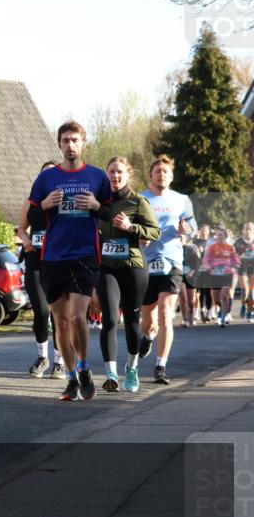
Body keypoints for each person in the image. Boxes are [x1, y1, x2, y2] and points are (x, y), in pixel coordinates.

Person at [27, 121, 112, 402]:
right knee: (60, 321)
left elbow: (113, 215)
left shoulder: (98, 177)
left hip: (85, 255)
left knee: (77, 317)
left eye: (75, 140)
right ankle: (72, 377)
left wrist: (98, 207)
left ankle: (86, 367)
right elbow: (31, 220)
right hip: (52, 257)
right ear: (59, 144)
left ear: (83, 143)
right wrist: (46, 205)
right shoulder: (46, 180)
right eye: (65, 140)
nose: (70, 145)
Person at [95, 157, 160, 393]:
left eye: (119, 172)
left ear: (127, 175)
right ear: (106, 174)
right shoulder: (99, 202)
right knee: (110, 319)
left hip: (133, 267)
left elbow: (155, 232)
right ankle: (111, 373)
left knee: (133, 323)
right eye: (111, 172)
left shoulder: (138, 201)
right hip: (107, 268)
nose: (115, 176)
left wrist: (131, 227)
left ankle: (132, 369)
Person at [139, 155, 196, 385]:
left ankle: (160, 365)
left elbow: (192, 226)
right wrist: (139, 236)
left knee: (165, 312)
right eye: (157, 171)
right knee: (148, 320)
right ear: (150, 175)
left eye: (165, 171)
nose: (161, 174)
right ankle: (148, 335)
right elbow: (131, 227)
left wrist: (186, 229)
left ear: (171, 176)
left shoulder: (182, 199)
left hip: (172, 262)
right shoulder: (141, 198)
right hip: (145, 262)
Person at [17, 161, 63, 378]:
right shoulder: (33, 201)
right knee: (42, 311)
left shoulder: (65, 200)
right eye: (44, 175)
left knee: (58, 312)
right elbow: (21, 227)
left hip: (58, 261)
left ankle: (59, 361)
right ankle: (42, 356)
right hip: (35, 260)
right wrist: (25, 240)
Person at [198, 225, 241, 327]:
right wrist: (207, 266)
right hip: (214, 274)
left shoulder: (230, 248)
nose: (219, 237)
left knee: (224, 294)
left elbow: (235, 259)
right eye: (218, 235)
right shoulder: (211, 248)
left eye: (221, 235)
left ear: (225, 236)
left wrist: (237, 263)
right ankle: (223, 310)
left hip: (227, 273)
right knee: (217, 298)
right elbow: (206, 259)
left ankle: (223, 315)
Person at [180, 232, 201, 327]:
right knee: (183, 297)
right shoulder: (174, 250)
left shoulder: (191, 249)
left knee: (191, 301)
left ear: (185, 239)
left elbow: (197, 264)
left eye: (181, 238)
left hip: (190, 276)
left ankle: (191, 315)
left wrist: (192, 272)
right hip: (179, 276)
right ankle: (185, 319)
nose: (179, 240)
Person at [194, 223, 215, 322]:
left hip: (209, 270)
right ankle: (201, 311)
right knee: (200, 291)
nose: (203, 232)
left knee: (208, 291)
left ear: (208, 231)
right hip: (199, 270)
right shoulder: (195, 241)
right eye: (202, 230)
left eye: (205, 230)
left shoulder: (211, 242)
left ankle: (209, 311)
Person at [235, 222, 254, 322]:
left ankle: (250, 312)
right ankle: (243, 304)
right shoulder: (238, 242)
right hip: (243, 268)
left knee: (252, 291)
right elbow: (233, 255)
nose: (248, 231)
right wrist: (239, 256)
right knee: (245, 291)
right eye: (246, 229)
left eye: (250, 229)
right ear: (243, 230)